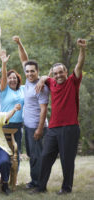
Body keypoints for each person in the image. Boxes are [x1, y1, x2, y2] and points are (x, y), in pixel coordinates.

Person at [32, 39, 86, 194]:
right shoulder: (52, 82)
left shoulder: (72, 82)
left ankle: (66, 188)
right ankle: (41, 187)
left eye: (61, 72)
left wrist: (82, 49)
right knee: (45, 157)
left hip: (70, 127)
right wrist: (43, 79)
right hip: (54, 128)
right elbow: (44, 77)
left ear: (66, 72)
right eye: (55, 73)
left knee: (67, 160)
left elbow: (79, 65)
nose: (58, 75)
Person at [13, 36, 50, 189]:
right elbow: (24, 59)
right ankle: (34, 180)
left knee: (37, 156)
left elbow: (44, 110)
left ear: (37, 72)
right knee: (32, 155)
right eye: (27, 71)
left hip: (36, 126)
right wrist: (19, 43)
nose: (29, 73)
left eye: (32, 71)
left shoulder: (41, 87)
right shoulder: (29, 80)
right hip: (27, 125)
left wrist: (40, 128)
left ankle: (39, 184)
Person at [0, 50, 24, 167]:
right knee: (4, 150)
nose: (12, 80)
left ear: (18, 79)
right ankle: (4, 176)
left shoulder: (22, 89)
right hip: (6, 124)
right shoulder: (4, 90)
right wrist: (4, 64)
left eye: (15, 78)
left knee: (16, 151)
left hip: (18, 125)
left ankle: (15, 177)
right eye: (10, 78)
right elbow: (3, 77)